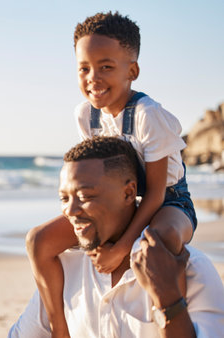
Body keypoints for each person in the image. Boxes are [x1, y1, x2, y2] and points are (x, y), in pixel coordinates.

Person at [26, 11, 197, 336]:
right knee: (39, 240)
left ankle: (170, 322)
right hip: (118, 204)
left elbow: (157, 193)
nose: (93, 77)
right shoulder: (86, 115)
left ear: (131, 71)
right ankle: (60, 329)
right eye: (84, 68)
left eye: (106, 66)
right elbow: (91, 177)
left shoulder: (149, 116)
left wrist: (120, 248)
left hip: (168, 203)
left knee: (159, 243)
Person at [9, 137, 224, 338]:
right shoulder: (64, 270)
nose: (70, 210)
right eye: (64, 198)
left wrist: (168, 298)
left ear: (129, 193)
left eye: (85, 196)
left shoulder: (192, 269)